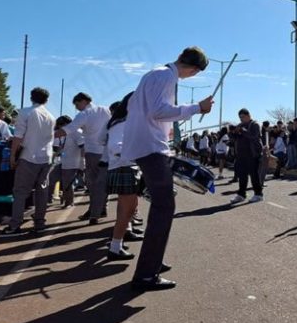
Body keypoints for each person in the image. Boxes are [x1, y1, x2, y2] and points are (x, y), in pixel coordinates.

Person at [122, 46, 213, 291]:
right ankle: (146, 275)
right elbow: (158, 111)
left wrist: (167, 128)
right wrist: (197, 107)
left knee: (162, 206)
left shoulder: (157, 74)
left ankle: (152, 262)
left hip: (147, 144)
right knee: (164, 207)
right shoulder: (165, 76)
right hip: (150, 148)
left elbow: (144, 111)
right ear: (194, 69)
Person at [0, 88, 56, 237]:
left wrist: (12, 157)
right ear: (46, 100)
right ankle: (40, 224)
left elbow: (18, 137)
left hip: (29, 157)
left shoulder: (25, 112)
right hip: (46, 158)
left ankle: (14, 226)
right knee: (41, 192)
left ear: (31, 98)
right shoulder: (51, 116)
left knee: (20, 192)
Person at [57, 92, 112, 224]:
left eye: (77, 104)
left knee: (93, 184)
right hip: (107, 151)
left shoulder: (84, 114)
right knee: (104, 182)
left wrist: (47, 136)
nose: (77, 108)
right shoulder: (106, 109)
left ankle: (94, 212)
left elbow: (68, 129)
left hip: (93, 151)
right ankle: (102, 208)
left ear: (83, 101)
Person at [105, 93, 145, 261]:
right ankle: (115, 247)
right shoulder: (121, 123)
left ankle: (116, 245)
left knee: (128, 209)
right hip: (124, 167)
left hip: (127, 167)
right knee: (125, 210)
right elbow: (116, 147)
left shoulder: (124, 122)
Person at [48, 116, 85, 208]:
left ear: (66, 124)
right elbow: (60, 147)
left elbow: (83, 148)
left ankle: (69, 202)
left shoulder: (77, 132)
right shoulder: (63, 134)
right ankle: (49, 199)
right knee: (51, 178)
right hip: (62, 162)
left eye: (61, 126)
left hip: (73, 163)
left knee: (67, 184)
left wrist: (82, 164)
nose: (60, 128)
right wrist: (56, 154)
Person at [229, 109, 264, 204]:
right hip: (241, 154)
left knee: (254, 175)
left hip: (252, 154)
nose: (241, 119)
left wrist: (242, 131)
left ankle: (258, 194)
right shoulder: (240, 125)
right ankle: (241, 194)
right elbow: (234, 139)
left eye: (243, 117)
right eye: (240, 117)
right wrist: (232, 132)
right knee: (242, 175)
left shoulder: (255, 124)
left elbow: (254, 137)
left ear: (248, 115)